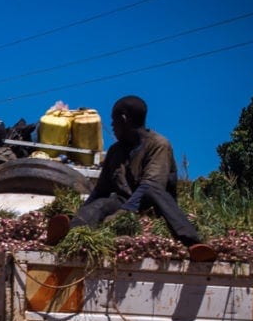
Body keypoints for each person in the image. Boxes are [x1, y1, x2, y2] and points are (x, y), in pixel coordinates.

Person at [46, 95, 217, 262]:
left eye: (113, 121)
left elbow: (151, 184)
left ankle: (193, 243)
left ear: (124, 119)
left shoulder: (158, 144)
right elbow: (100, 190)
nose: (112, 126)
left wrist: (124, 213)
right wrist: (80, 214)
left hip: (154, 205)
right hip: (124, 200)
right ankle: (67, 233)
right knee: (102, 203)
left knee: (152, 191)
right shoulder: (115, 151)